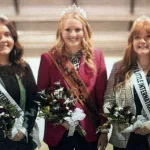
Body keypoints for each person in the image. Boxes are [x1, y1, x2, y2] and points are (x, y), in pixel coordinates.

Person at [37, 4, 108, 150]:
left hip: (89, 130)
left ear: (85, 31)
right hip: (59, 132)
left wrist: (104, 131)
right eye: (68, 30)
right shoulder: (48, 58)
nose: (73, 34)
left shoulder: (97, 56)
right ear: (60, 32)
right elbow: (41, 96)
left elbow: (102, 97)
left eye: (77, 29)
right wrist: (59, 119)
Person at [103, 15, 150, 150]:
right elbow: (108, 101)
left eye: (147, 36)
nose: (142, 41)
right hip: (124, 139)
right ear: (131, 41)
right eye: (137, 37)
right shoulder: (119, 68)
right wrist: (121, 119)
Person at [0, 15, 38, 150]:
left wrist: (23, 129)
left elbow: (33, 103)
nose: (3, 40)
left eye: (7, 34)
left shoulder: (23, 68)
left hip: (21, 141)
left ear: (13, 38)